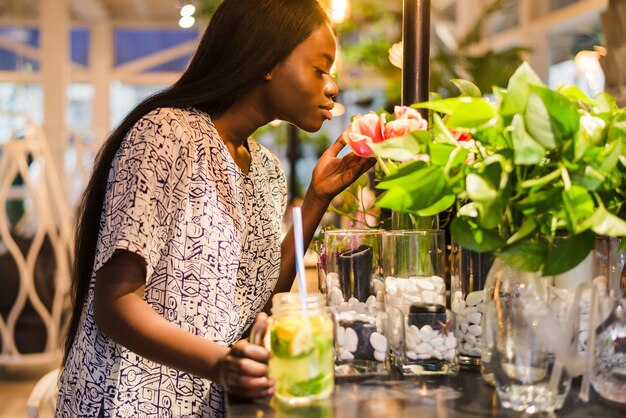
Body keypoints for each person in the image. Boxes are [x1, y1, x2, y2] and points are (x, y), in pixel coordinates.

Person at [56, 0, 374, 417]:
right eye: (320, 69)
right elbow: (115, 303)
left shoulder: (266, 169)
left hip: (210, 404)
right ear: (269, 61)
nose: (332, 87)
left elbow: (255, 307)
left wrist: (317, 198)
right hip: (129, 401)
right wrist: (220, 364)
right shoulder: (167, 133)